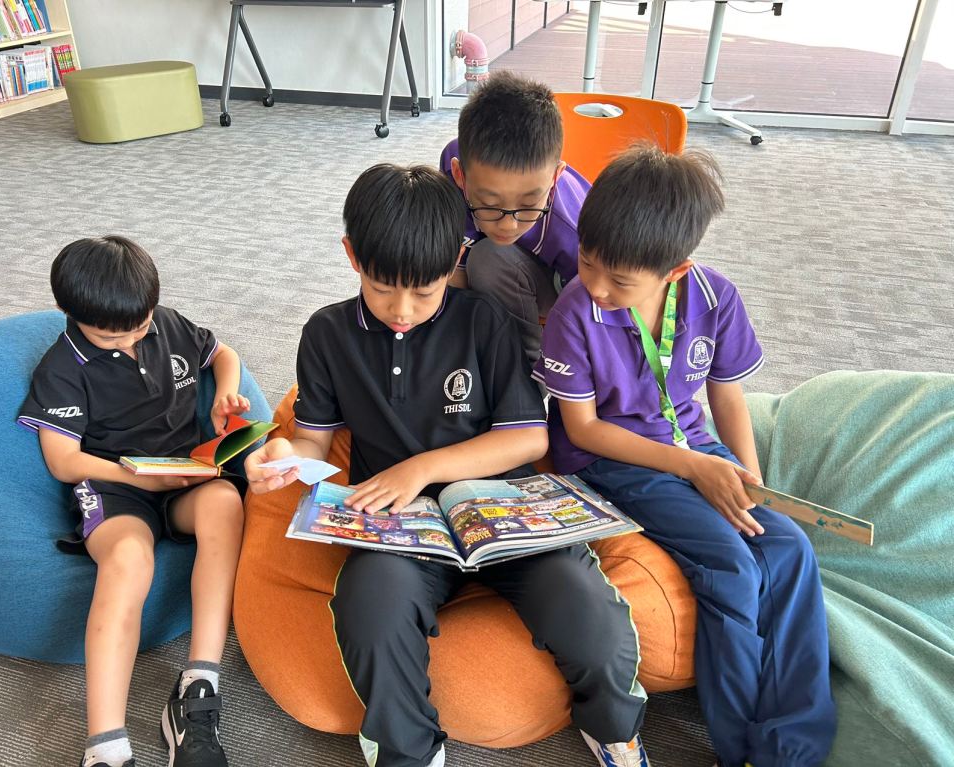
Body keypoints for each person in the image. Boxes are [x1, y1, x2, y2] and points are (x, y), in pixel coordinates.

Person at [245, 164, 651, 767]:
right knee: (371, 611)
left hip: (499, 513)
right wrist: (286, 455)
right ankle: (408, 753)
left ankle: (612, 727)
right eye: (382, 288)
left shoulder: (483, 321)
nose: (402, 309)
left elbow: (526, 438)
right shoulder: (327, 334)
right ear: (352, 256)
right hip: (400, 529)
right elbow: (312, 440)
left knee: (588, 614)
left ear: (456, 259)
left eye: (425, 292)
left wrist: (420, 468)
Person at [534, 144, 837, 767]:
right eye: (587, 261)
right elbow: (583, 430)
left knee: (789, 548)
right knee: (731, 565)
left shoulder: (715, 297)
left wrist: (748, 480)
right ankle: (741, 746)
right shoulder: (574, 311)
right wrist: (695, 467)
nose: (596, 286)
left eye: (620, 280)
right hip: (613, 461)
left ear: (675, 270)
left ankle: (793, 744)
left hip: (694, 444)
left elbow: (726, 395)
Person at [17, 236, 251, 767]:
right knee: (128, 557)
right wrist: (137, 478)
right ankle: (105, 747)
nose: (129, 341)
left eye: (139, 327)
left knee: (226, 504)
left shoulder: (167, 324)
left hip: (182, 476)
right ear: (71, 315)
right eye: (110, 336)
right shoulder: (62, 368)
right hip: (113, 486)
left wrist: (225, 393)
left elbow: (224, 354)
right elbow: (64, 462)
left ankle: (198, 687)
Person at [440, 70, 591, 363]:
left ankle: (525, 368)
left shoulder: (574, 231)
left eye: (528, 204)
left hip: (572, 286)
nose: (508, 225)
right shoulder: (453, 163)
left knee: (490, 257)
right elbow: (452, 260)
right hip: (507, 272)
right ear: (460, 175)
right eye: (489, 204)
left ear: (555, 178)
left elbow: (600, 310)